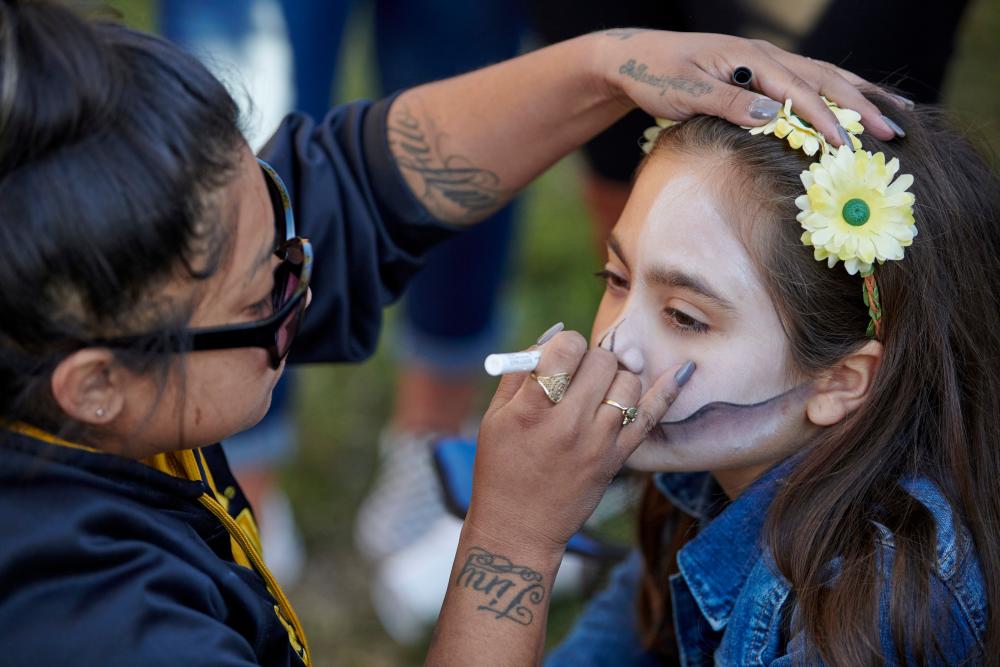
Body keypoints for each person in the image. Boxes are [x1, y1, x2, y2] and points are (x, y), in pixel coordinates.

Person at [0, 1, 899, 664]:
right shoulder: (92, 626)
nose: (302, 270)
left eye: (273, 205)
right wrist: (511, 538)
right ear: (95, 384)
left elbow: (352, 185)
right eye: (261, 294)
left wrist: (603, 62)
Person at [541, 96, 997, 663]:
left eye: (685, 316)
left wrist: (518, 541)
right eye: (616, 278)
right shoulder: (692, 479)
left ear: (840, 382)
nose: (612, 346)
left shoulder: (888, 601)